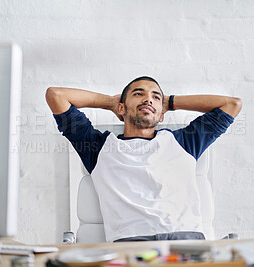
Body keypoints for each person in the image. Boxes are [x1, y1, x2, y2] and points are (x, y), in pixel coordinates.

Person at [46, 76, 242, 242]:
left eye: (155, 97)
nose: (148, 99)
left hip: (186, 244)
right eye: (138, 94)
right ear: (121, 108)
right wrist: (111, 103)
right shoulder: (97, 147)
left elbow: (232, 104)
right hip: (132, 247)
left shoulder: (184, 142)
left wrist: (171, 102)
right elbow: (57, 96)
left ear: (162, 114)